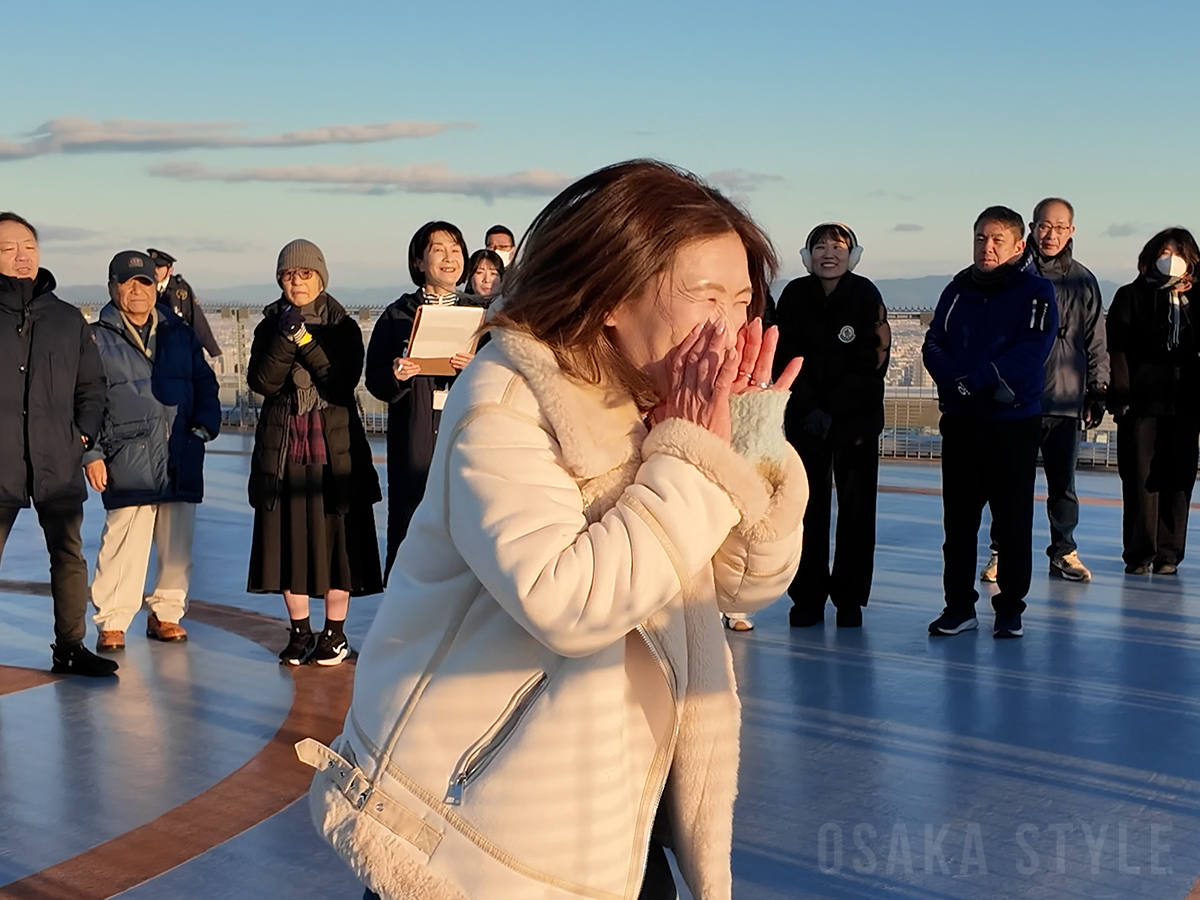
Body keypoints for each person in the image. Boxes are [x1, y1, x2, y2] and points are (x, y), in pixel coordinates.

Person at [299, 160, 808, 900]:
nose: (731, 327)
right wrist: (692, 456)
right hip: (475, 827)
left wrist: (746, 438)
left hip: (611, 809)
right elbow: (567, 602)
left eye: (742, 301)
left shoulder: (657, 399)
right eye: (706, 298)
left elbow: (745, 581)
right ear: (612, 296)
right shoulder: (511, 394)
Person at [246, 240, 383, 666]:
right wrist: (285, 337)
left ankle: (334, 633)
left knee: (337, 543)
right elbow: (263, 381)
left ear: (321, 278)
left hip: (333, 447)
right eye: (289, 275)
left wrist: (303, 338)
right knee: (288, 541)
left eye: (305, 274)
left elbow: (338, 381)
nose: (297, 282)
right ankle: (300, 631)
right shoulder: (269, 325)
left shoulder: (343, 325)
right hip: (284, 447)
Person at [923, 206, 1057, 639]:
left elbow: (1033, 349)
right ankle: (958, 606)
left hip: (1012, 423)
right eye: (981, 237)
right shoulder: (958, 289)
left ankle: (1010, 609)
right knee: (958, 525)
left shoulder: (1036, 291)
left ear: (1019, 245)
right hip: (962, 423)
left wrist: (979, 380)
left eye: (998, 239)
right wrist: (956, 383)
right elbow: (933, 342)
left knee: (1013, 522)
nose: (987, 247)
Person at [86, 251, 221, 651]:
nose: (136, 291)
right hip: (126, 454)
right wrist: (91, 453)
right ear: (112, 287)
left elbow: (205, 383)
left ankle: (167, 613)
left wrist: (203, 429)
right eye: (127, 283)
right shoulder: (95, 339)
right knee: (123, 542)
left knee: (177, 544)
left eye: (144, 283)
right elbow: (84, 400)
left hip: (180, 448)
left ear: (154, 287)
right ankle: (112, 620)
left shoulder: (180, 333)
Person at [0, 212, 115, 677]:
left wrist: (81, 436)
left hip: (57, 459)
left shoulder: (67, 319)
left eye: (29, 246)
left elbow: (92, 386)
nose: (22, 256)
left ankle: (70, 647)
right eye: (8, 248)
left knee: (68, 555)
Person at [979, 199, 1109, 583]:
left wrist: (1098, 388)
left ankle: (1064, 550)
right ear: (1033, 228)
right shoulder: (1014, 275)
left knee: (1063, 484)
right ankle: (1001, 551)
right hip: (1017, 397)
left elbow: (1095, 339)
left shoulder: (1083, 280)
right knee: (1008, 482)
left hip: (1065, 398)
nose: (1051, 234)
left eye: (1060, 227)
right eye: (1044, 226)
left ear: (1072, 231)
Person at [770, 222, 890, 631]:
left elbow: (873, 359)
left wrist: (832, 408)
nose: (829, 254)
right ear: (807, 256)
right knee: (807, 509)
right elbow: (783, 353)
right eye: (820, 246)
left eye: (838, 247)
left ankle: (850, 599)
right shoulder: (794, 295)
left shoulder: (866, 295)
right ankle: (807, 597)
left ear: (852, 255)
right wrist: (807, 407)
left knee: (857, 512)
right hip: (805, 422)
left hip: (855, 424)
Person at [365, 221, 481, 580]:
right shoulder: (398, 314)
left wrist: (476, 367)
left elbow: (502, 376)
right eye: (438, 250)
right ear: (418, 261)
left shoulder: (481, 315)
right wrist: (397, 375)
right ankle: (408, 596)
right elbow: (375, 379)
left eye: (456, 250)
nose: (450, 258)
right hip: (414, 432)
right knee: (411, 516)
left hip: (466, 433)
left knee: (468, 514)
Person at [1106, 228, 1200, 575]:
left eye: (1178, 253)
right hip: (1140, 404)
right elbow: (1118, 349)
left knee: (1179, 478)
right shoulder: (1131, 295)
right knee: (1138, 478)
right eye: (1164, 252)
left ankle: (1169, 553)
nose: (1171, 259)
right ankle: (1139, 552)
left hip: (1186, 404)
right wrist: (1120, 394)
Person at [145, 248, 222, 358]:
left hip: (176, 346)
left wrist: (213, 350)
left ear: (170, 270)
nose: (155, 271)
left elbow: (196, 319)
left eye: (159, 267)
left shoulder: (180, 289)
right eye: (153, 267)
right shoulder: (146, 286)